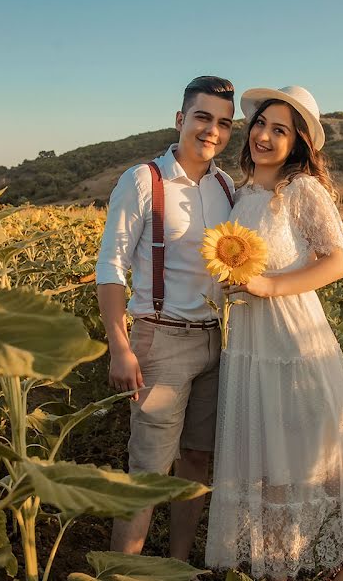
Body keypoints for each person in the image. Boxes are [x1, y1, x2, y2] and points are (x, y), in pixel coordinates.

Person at [204, 86, 343, 580]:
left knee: (304, 456)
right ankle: (282, 564)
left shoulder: (300, 191)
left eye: (280, 130)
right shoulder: (243, 193)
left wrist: (268, 285)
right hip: (252, 343)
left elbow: (337, 262)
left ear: (298, 142)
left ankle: (339, 562)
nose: (264, 135)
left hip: (295, 339)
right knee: (267, 458)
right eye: (260, 123)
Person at [95, 76, 236, 560]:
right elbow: (110, 267)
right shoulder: (142, 180)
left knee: (197, 460)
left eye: (223, 123)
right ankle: (123, 572)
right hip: (161, 341)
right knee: (148, 474)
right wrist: (120, 345)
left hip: (214, 341)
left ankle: (177, 564)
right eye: (202, 117)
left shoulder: (224, 184)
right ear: (180, 119)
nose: (211, 131)